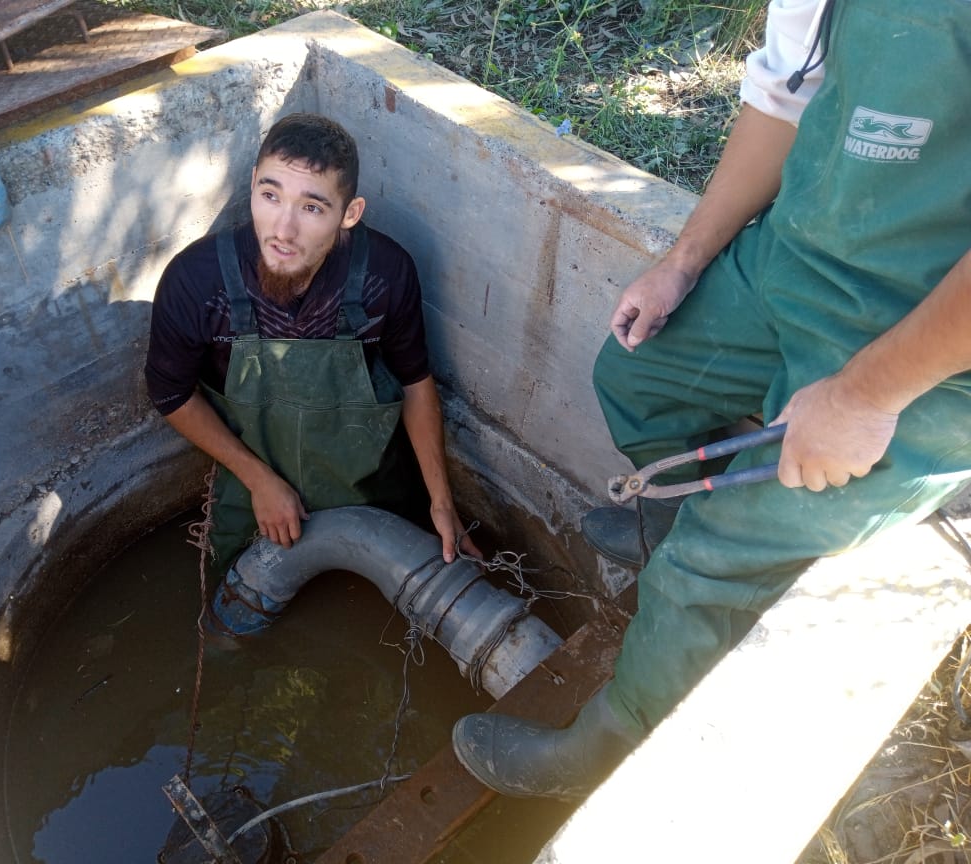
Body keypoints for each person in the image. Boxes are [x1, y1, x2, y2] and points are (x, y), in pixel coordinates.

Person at [452, 0, 971, 799]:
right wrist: (682, 263)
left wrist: (866, 394)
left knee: (716, 555)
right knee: (636, 379)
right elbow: (782, 99)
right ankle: (668, 534)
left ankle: (608, 748)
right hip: (799, 260)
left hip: (931, 350)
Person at [145, 113, 477, 581]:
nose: (282, 229)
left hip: (366, 483)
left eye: (312, 208)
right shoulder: (196, 280)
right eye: (270, 195)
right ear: (253, 185)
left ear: (350, 214)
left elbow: (415, 383)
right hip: (249, 483)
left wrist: (441, 504)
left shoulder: (385, 273)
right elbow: (170, 394)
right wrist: (259, 480)